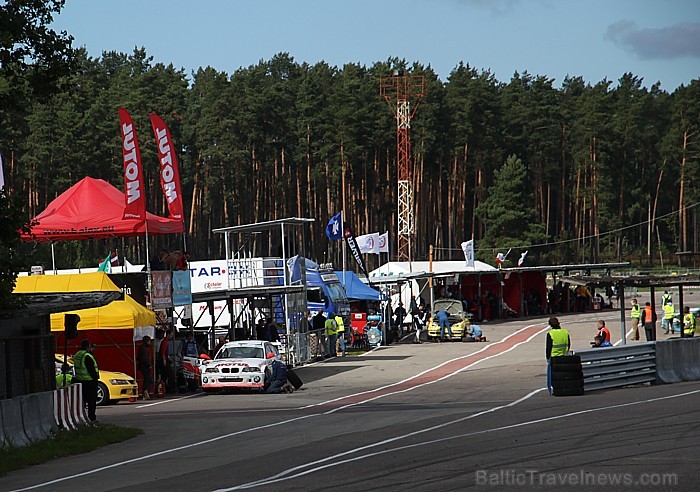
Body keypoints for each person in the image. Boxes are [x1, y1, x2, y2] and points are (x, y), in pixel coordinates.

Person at [73, 339, 99, 422]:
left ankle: (82, 416)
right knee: (92, 401)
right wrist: (96, 378)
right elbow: (91, 370)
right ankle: (92, 418)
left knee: (82, 401)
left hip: (80, 381)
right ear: (88, 347)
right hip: (89, 381)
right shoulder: (87, 356)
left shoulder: (77, 354)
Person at [545, 317, 570, 395]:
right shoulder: (565, 332)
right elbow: (568, 344)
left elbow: (548, 347)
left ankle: (552, 390)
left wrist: (548, 357)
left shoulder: (550, 333)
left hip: (554, 357)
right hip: (564, 356)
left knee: (552, 375)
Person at [137, 335, 153, 400]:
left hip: (142, 366)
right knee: (148, 380)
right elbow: (145, 358)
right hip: (145, 366)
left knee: (146, 379)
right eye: (149, 341)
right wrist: (149, 365)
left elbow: (138, 357)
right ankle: (145, 392)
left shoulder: (141, 347)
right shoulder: (145, 349)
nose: (150, 342)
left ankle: (145, 393)